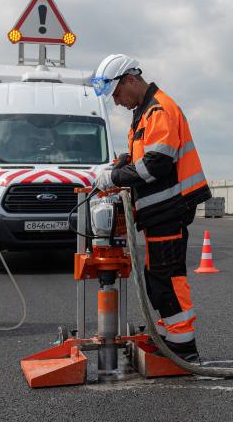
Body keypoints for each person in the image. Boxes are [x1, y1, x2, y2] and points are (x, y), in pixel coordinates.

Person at [90, 55, 211, 361]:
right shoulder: (144, 114)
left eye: (117, 94)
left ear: (130, 79)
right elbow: (142, 158)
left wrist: (114, 177)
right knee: (160, 276)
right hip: (161, 210)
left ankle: (183, 346)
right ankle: (170, 337)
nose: (116, 102)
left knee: (166, 277)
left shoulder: (158, 110)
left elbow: (157, 163)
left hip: (170, 208)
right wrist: (121, 164)